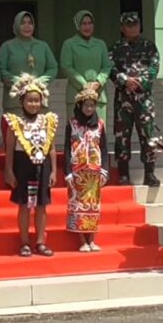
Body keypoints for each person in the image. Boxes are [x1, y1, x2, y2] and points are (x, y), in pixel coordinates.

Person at [2, 74, 59, 257]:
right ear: (22, 101)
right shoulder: (15, 123)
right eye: (29, 100)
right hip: (22, 165)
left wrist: (54, 171)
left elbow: (51, 148)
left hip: (43, 166)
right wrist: (9, 170)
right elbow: (10, 149)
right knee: (24, 205)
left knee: (42, 205)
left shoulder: (48, 121)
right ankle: (25, 242)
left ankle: (41, 242)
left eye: (36, 100)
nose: (33, 104)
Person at [108, 11, 161, 186]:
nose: (132, 28)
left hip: (144, 100)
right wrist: (125, 81)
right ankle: (123, 174)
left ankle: (149, 173)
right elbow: (110, 68)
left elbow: (154, 66)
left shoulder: (149, 46)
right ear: (122, 28)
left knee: (148, 135)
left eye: (135, 24)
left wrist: (140, 82)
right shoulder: (115, 48)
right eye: (129, 25)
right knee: (122, 136)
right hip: (123, 100)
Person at [64, 86, 109, 252]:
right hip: (77, 172)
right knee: (77, 206)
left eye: (92, 105)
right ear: (80, 106)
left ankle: (92, 239)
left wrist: (104, 169)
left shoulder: (100, 124)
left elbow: (104, 148)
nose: (89, 108)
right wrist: (67, 172)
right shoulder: (72, 124)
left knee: (93, 206)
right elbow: (67, 148)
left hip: (94, 173)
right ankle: (82, 240)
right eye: (86, 105)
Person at [0, 11, 58, 116]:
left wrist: (39, 82)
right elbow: (0, 69)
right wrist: (19, 82)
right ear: (16, 25)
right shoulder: (7, 46)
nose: (27, 26)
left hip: (39, 101)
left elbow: (53, 67)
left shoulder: (43, 46)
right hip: (15, 102)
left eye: (30, 23)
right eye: (23, 23)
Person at [60, 10, 112, 126]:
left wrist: (98, 82)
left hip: (98, 95)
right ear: (77, 25)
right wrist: (84, 85)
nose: (87, 27)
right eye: (83, 23)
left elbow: (107, 66)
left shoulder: (100, 44)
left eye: (90, 23)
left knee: (98, 132)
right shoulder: (69, 44)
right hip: (76, 95)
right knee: (76, 132)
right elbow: (66, 66)